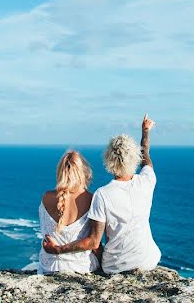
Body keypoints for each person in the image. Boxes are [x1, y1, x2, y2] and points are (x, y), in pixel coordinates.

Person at [42, 114, 161, 274]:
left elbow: (93, 242)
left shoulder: (103, 195)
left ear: (108, 159)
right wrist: (145, 131)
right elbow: (146, 157)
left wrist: (57, 250)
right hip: (148, 260)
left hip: (116, 266)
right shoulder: (147, 181)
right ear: (135, 158)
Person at [37, 150, 101, 274]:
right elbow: (95, 244)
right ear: (84, 172)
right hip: (81, 267)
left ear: (60, 172)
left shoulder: (46, 197)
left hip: (48, 267)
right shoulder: (92, 199)